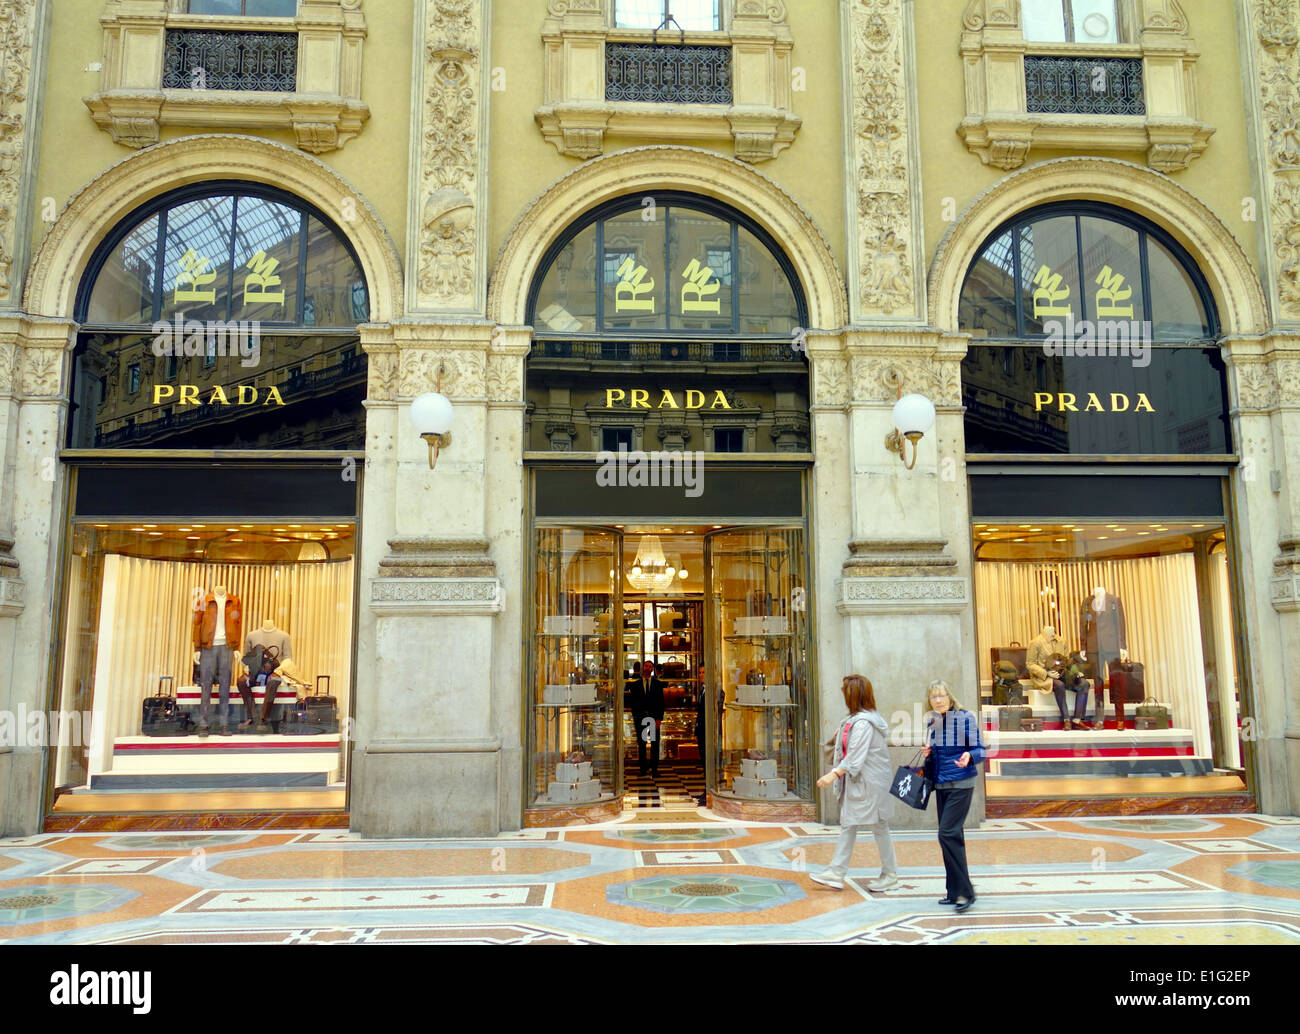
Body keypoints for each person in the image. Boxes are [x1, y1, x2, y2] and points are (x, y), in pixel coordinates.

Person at [810, 674, 898, 892]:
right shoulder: (861, 720)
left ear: (853, 696)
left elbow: (855, 758)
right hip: (865, 782)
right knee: (855, 824)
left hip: (869, 783)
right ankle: (837, 872)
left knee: (876, 825)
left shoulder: (863, 724)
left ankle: (888, 875)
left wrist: (833, 775)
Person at [921, 680, 986, 913]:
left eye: (941, 695)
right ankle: (953, 890)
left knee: (946, 834)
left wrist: (969, 755)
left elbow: (981, 749)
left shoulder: (964, 717)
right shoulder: (933, 722)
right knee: (953, 836)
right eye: (933, 697)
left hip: (961, 783)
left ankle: (966, 892)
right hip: (943, 785)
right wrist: (928, 753)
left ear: (950, 696)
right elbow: (937, 758)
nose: (937, 700)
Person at [626, 660, 665, 778]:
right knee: (642, 744)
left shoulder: (657, 684)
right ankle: (643, 769)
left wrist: (659, 719)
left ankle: (654, 769)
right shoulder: (636, 685)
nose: (648, 668)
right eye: (646, 666)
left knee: (654, 744)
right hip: (641, 718)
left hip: (653, 718)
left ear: (652, 669)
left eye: (650, 667)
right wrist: (636, 717)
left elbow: (661, 702)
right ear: (643, 668)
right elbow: (633, 703)